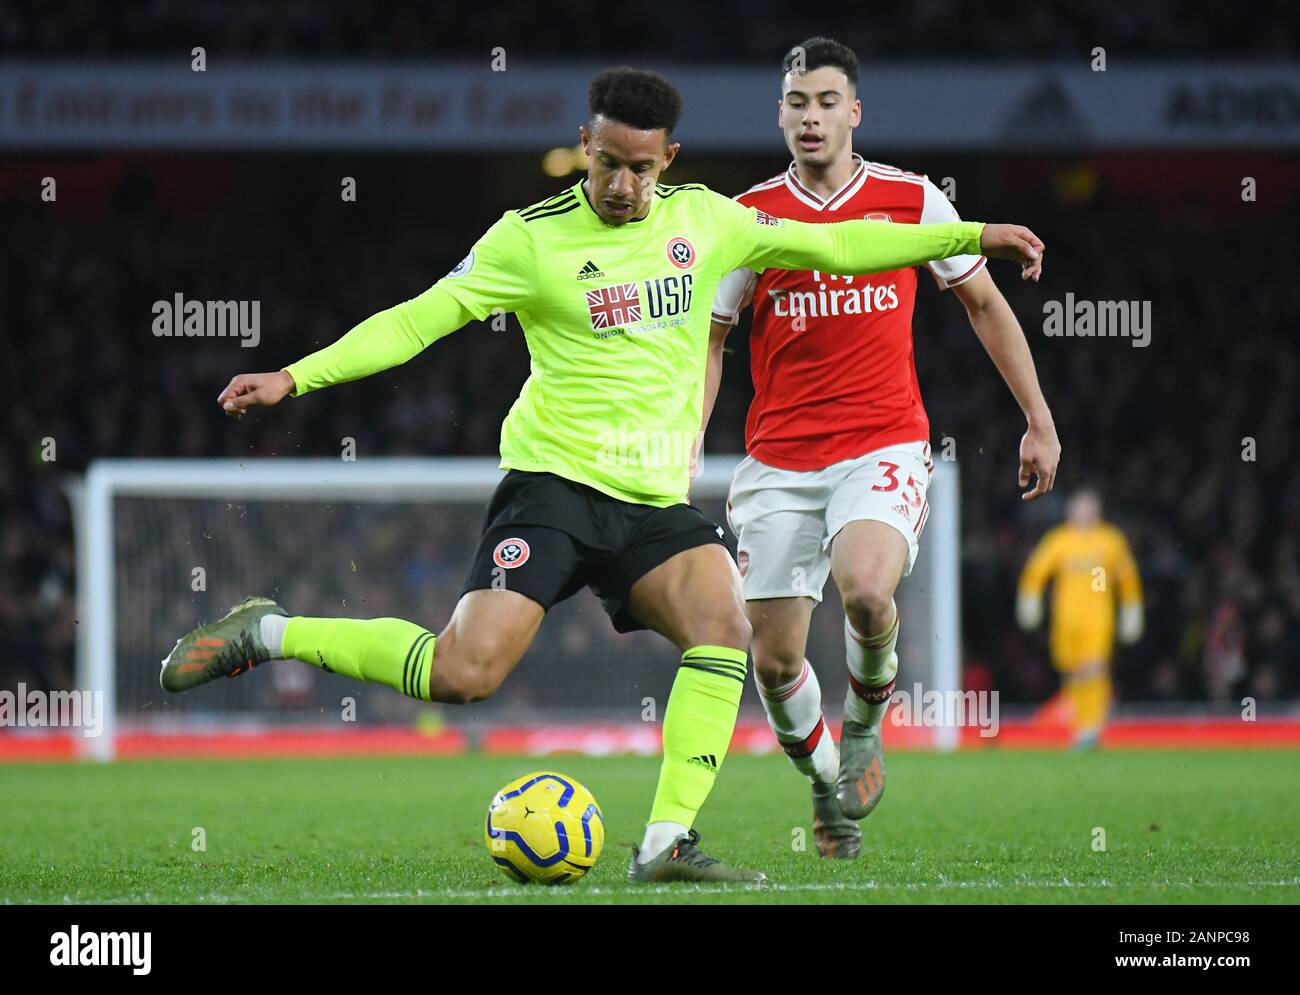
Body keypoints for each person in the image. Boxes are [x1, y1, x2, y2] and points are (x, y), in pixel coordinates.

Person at [160, 66, 1046, 883]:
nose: (622, 186)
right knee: (466, 673)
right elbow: (415, 320)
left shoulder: (708, 220)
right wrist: (296, 375)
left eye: (640, 169)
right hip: (551, 491)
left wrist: (974, 234)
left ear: (669, 160)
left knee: (723, 624)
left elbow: (844, 247)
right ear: (586, 145)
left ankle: (665, 843)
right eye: (607, 163)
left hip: (651, 504)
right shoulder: (526, 241)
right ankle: (269, 632)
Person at [705, 38, 1059, 858]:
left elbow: (981, 303)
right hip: (778, 459)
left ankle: (864, 723)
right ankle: (828, 781)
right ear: (780, 114)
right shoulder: (747, 216)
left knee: (866, 589)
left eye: (828, 101)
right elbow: (713, 339)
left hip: (882, 442)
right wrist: (683, 433)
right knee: (776, 655)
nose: (811, 117)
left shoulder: (912, 200)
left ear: (854, 112)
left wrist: (1038, 417)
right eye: (797, 102)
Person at [1017, 489, 1143, 748]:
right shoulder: (1060, 540)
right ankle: (1081, 725)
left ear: (1097, 511)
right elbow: (1036, 571)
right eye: (1078, 508)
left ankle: (1093, 725)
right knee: (1072, 672)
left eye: (1088, 508)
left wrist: (1132, 609)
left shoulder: (1109, 540)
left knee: (1094, 667)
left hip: (1098, 616)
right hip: (1066, 618)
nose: (1083, 513)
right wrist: (1029, 599)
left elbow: (1127, 577)